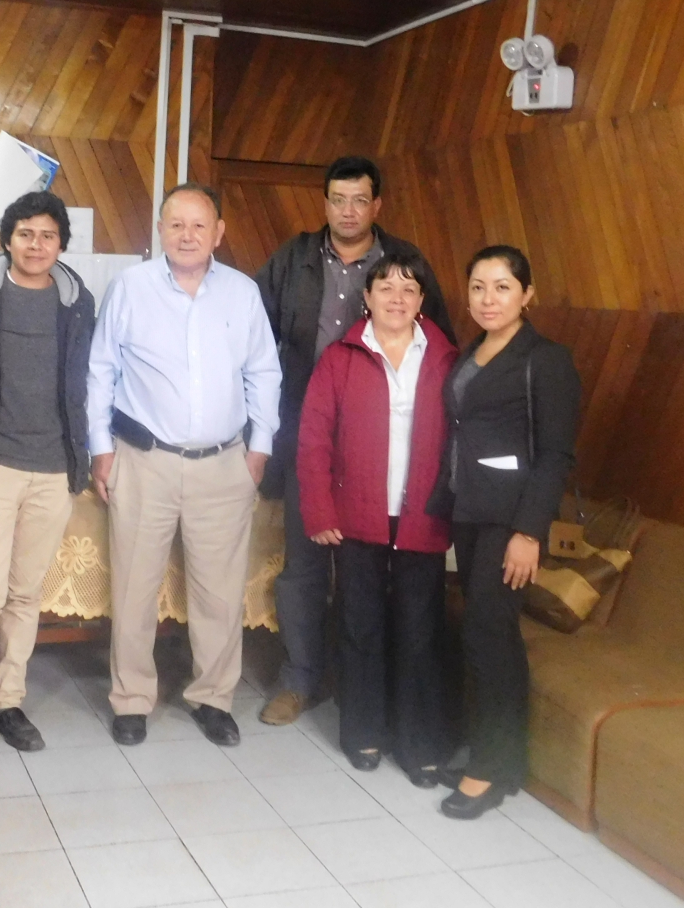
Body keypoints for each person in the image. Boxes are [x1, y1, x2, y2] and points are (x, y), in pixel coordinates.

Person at [256, 156, 456, 727]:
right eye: (338, 200)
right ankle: (299, 678)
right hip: (310, 437)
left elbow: (441, 350)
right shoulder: (293, 259)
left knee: (372, 575)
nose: (348, 211)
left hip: (388, 450)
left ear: (377, 206)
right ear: (324, 203)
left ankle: (363, 687)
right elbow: (252, 337)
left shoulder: (403, 263)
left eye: (359, 200)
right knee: (305, 566)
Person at [87, 182, 281, 748]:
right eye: (176, 224)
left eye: (200, 225)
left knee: (219, 593)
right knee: (134, 589)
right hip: (142, 460)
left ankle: (212, 697)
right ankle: (131, 699)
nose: (188, 235)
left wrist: (259, 448)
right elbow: (101, 370)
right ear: (160, 231)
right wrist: (100, 448)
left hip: (223, 465)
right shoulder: (131, 288)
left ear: (219, 232)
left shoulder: (242, 293)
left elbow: (263, 373)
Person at [0, 191, 95, 771]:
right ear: (7, 239)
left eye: (48, 236)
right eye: (26, 233)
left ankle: (7, 702)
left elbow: (86, 381)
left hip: (54, 469)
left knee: (25, 595)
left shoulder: (78, 301)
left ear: (61, 244)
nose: (36, 245)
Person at [430, 245, 580, 819]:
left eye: (501, 287)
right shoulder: (473, 351)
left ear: (527, 294)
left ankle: (489, 769)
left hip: (510, 520)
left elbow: (556, 454)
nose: (487, 299)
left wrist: (529, 533)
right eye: (477, 287)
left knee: (488, 633)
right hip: (469, 511)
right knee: (488, 634)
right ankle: (500, 758)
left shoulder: (545, 359)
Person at [296, 251, 457, 787]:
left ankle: (418, 743)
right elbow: (313, 438)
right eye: (385, 287)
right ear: (366, 297)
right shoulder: (340, 357)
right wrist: (319, 508)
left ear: (422, 301)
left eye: (409, 289)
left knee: (420, 631)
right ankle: (362, 731)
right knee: (359, 625)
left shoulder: (445, 358)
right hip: (356, 515)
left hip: (423, 517)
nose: (396, 298)